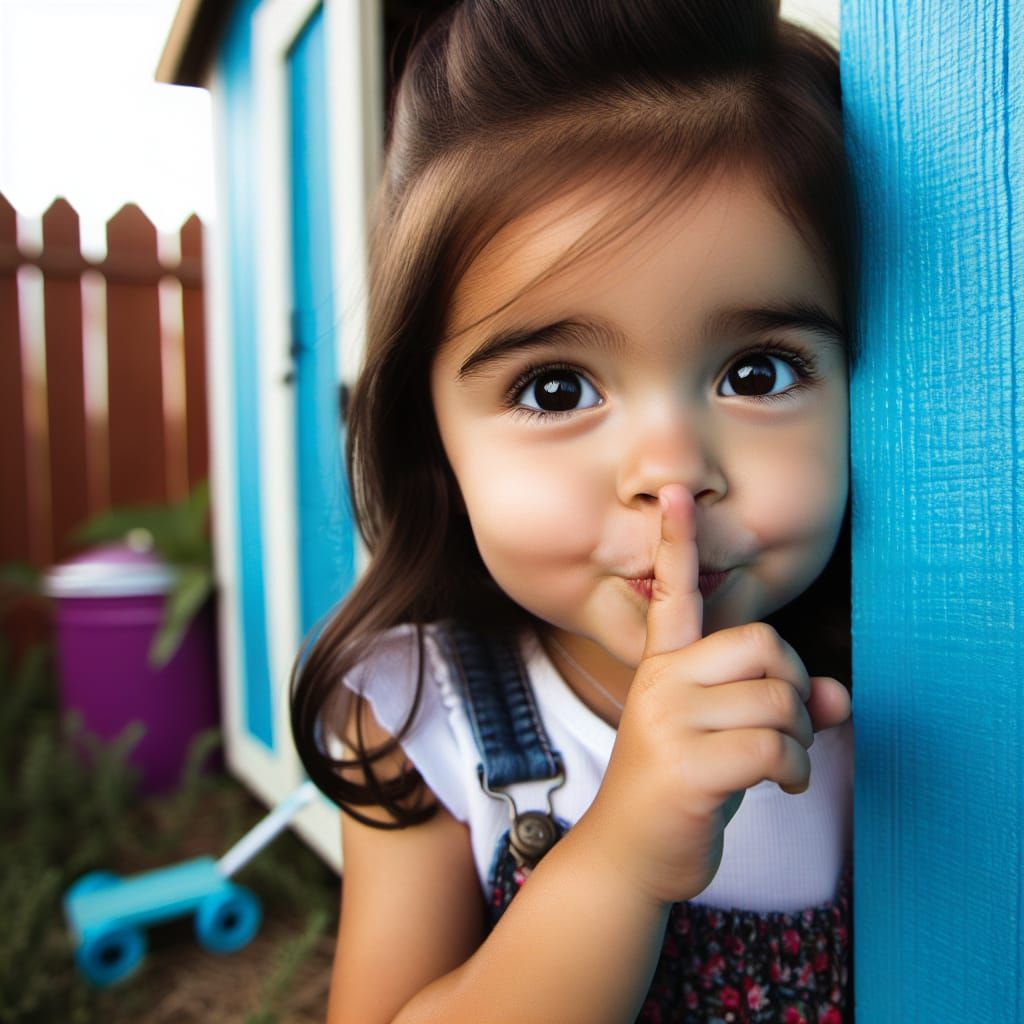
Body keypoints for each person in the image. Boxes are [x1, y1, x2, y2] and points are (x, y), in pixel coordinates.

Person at [290, 1, 859, 1021]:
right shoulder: (422, 715)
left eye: (756, 370)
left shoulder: (907, 692)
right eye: (556, 389)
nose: (671, 473)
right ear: (434, 436)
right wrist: (619, 860)